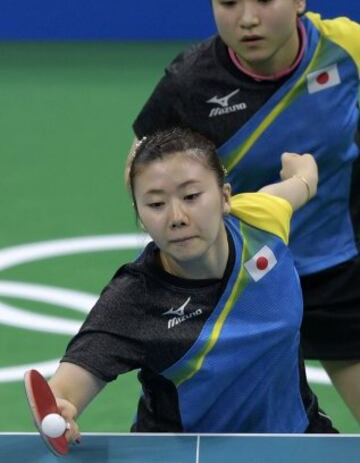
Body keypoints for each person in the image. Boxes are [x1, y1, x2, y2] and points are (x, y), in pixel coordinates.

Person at [128, 0, 360, 423]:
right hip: (240, 279)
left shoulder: (344, 46)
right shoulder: (192, 82)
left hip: (337, 265)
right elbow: (142, 164)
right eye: (228, 1)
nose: (248, 18)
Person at [47, 127, 337, 441]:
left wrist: (304, 173)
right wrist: (60, 409)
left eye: (191, 196)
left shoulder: (259, 220)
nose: (177, 217)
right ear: (140, 216)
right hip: (183, 449)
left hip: (296, 436)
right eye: (156, 204)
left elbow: (297, 187)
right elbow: (63, 391)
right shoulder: (136, 298)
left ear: (225, 197)